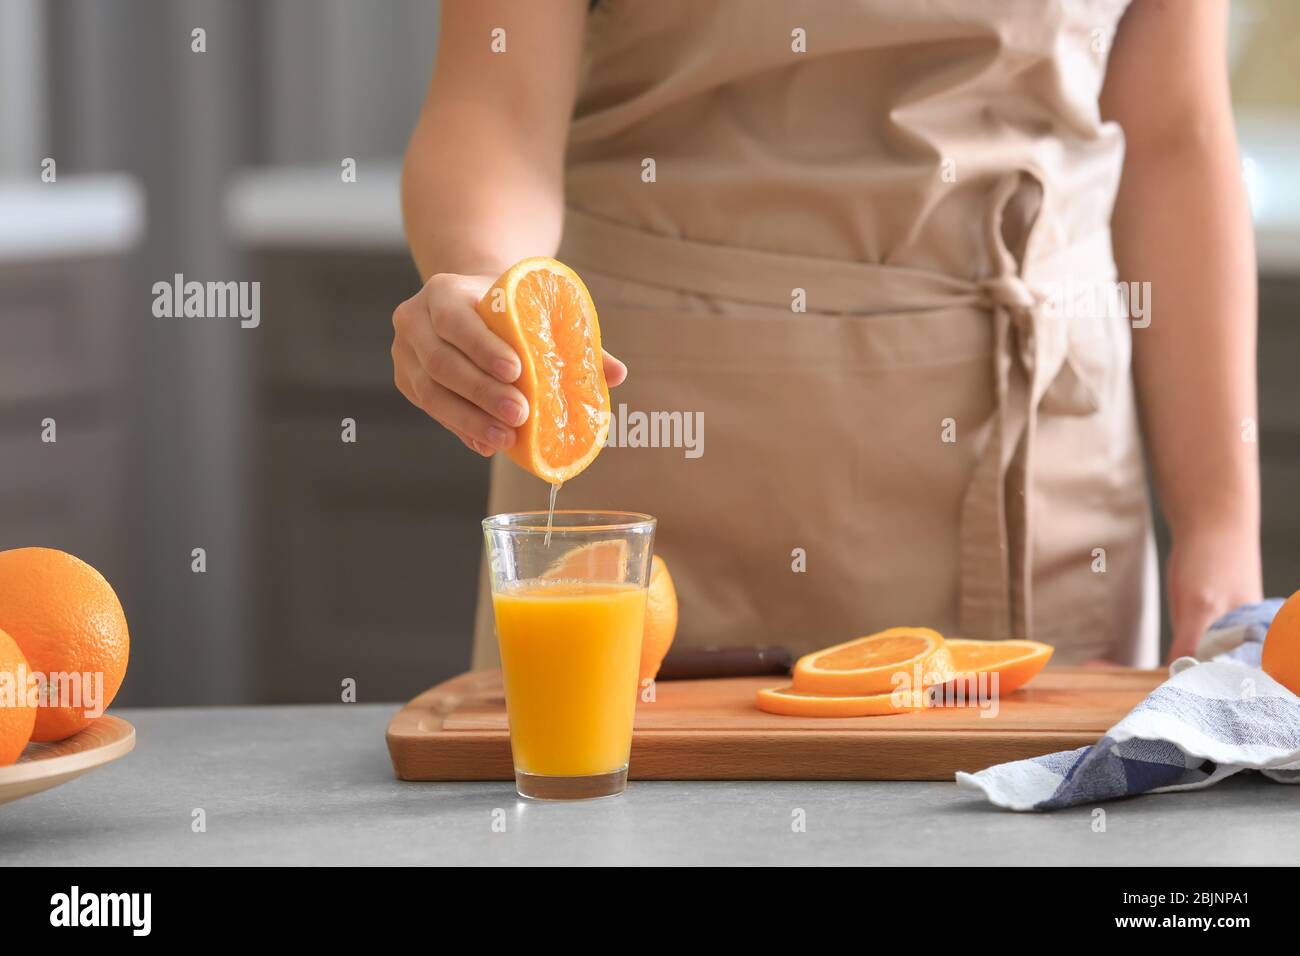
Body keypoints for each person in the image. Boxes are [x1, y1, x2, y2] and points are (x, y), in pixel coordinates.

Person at [392, 0, 1261, 668]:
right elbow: (494, 109)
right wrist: (484, 281)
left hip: (1047, 480)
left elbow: (1175, 136)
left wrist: (1221, 521)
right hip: (665, 465)